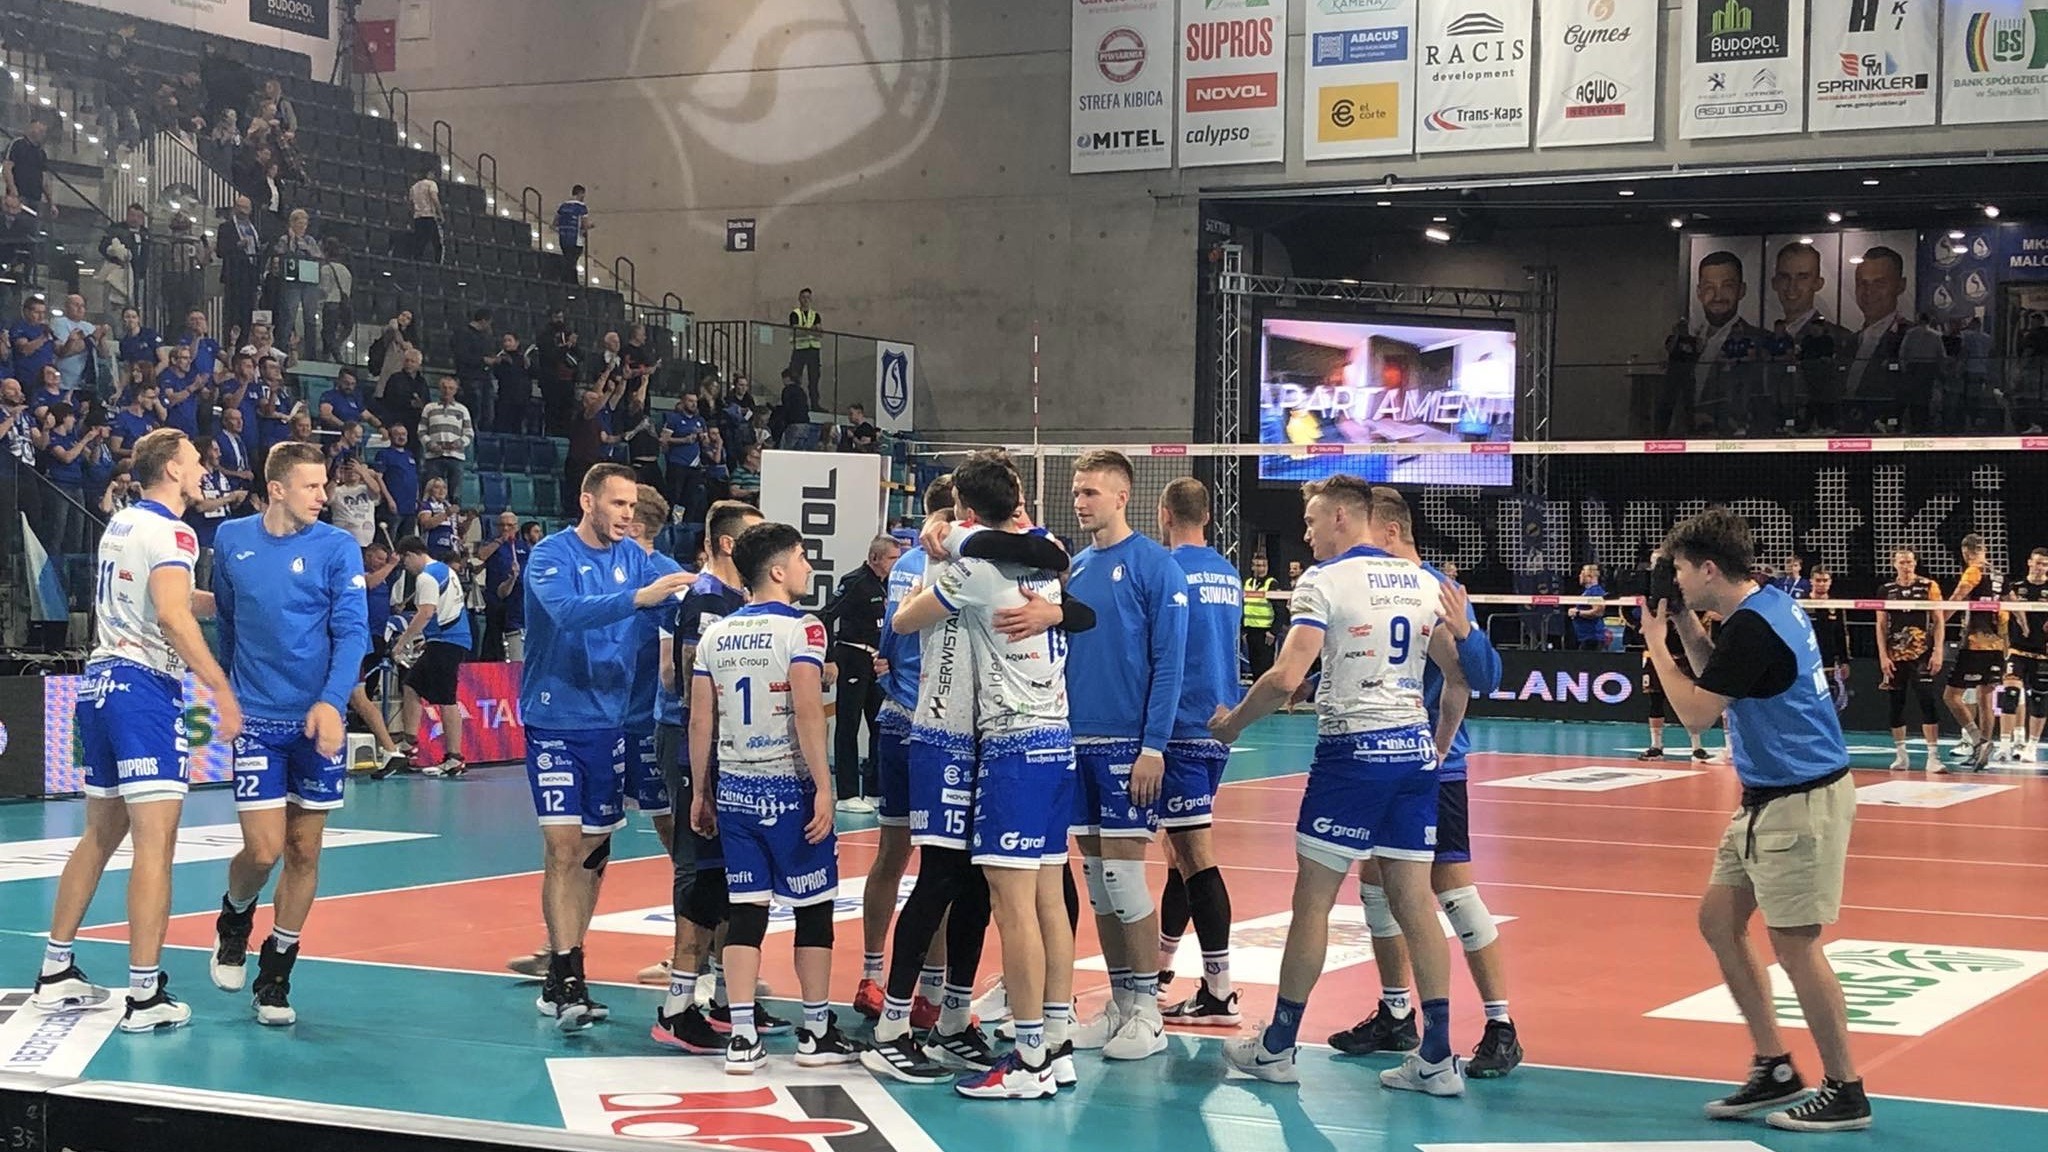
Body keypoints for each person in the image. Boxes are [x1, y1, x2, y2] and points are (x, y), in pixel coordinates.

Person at [1210, 474, 1465, 1094]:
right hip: (1412, 752)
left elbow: (1284, 676)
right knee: (1415, 903)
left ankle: (1277, 1047)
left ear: (1343, 520)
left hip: (1353, 754)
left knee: (1314, 902)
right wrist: (1438, 741)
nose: (1307, 533)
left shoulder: (1323, 581)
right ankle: (1437, 1056)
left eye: (1312, 521)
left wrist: (1232, 725)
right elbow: (1458, 673)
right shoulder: (1420, 580)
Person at [1640, 508, 1870, 1132]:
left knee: (1796, 945)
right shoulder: (1766, 604)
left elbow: (1696, 714)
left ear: (1709, 569)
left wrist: (1656, 643)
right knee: (1719, 921)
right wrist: (1682, 621)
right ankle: (1774, 1065)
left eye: (1681, 571)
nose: (1674, 580)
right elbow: (1720, 671)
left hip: (1801, 800)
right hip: (1766, 796)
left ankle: (1846, 1088)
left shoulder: (1753, 629)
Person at [888, 453, 1087, 1099]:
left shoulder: (973, 568)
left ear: (968, 511)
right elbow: (1067, 589)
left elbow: (903, 623)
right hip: (1057, 740)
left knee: (1013, 906)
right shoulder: (1048, 559)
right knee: (1051, 898)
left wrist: (942, 543)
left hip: (1012, 746)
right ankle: (1055, 1045)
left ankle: (1027, 1061)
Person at [30, 429, 242, 1032]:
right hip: (145, 688)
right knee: (156, 844)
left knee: (100, 834)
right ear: (172, 468)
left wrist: (227, 601)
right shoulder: (176, 532)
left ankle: (55, 969)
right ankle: (145, 996)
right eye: (195, 461)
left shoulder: (122, 523)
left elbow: (164, 597)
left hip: (99, 683)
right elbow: (171, 615)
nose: (203, 470)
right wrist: (220, 688)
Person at [1327, 487, 1519, 1077]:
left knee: (1452, 890)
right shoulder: (1364, 585)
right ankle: (1395, 1012)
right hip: (1378, 761)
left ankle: (1501, 1025)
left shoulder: (1436, 589)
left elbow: (1482, 677)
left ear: (1389, 532)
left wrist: (1466, 634)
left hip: (1435, 768)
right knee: (1376, 883)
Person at [521, 463, 695, 1029]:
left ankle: (566, 964)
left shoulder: (637, 559)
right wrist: (640, 598)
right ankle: (566, 971)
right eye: (617, 504)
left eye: (632, 506)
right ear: (588, 501)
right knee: (563, 848)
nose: (626, 514)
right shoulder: (551, 555)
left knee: (593, 853)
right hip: (554, 721)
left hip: (609, 724)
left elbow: (679, 602)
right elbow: (568, 613)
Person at [690, 521, 866, 1074]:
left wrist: (701, 790)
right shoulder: (803, 628)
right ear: (777, 569)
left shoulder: (717, 633)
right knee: (814, 909)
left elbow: (700, 719)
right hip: (788, 786)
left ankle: (742, 1036)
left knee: (746, 910)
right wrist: (825, 786)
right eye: (802, 557)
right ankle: (815, 1031)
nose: (808, 567)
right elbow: (809, 711)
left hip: (735, 788)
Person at [205, 442, 368, 1025]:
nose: (325, 496)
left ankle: (276, 973)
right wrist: (227, 691)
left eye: (325, 485)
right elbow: (227, 620)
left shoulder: (338, 547)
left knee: (304, 849)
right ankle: (235, 917)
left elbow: (353, 632)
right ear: (276, 489)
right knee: (263, 849)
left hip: (314, 721)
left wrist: (330, 702)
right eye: (312, 486)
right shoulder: (231, 540)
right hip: (256, 716)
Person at [1061, 449, 1187, 1060]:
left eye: (1090, 491)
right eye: (1077, 491)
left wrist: (1153, 747)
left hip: (1127, 744)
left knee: (1124, 877)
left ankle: (1148, 1012)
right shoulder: (1077, 568)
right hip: (1075, 740)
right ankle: (1118, 1003)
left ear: (1121, 496)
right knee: (1097, 883)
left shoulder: (1156, 567)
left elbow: (1169, 664)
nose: (1080, 501)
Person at [649, 501, 764, 1052]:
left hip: (725, 747)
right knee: (696, 870)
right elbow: (690, 683)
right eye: (755, 538)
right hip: (695, 743)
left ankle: (722, 996)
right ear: (728, 544)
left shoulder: (737, 600)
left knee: (724, 874)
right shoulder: (706, 599)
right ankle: (678, 1006)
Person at [855, 476, 953, 1019]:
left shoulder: (903, 566)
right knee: (941, 863)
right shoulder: (961, 562)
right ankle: (931, 992)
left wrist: (890, 669)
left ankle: (871, 975)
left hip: (895, 716)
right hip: (939, 724)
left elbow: (889, 641)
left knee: (891, 853)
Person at [1151, 479, 1244, 1028]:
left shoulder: (1167, 570)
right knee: (1178, 855)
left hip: (1181, 727)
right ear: (1208, 516)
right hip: (1219, 724)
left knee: (1194, 857)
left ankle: (1219, 992)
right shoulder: (1228, 572)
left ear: (1164, 514)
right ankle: (1162, 971)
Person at [819, 535, 896, 810]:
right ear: (875, 558)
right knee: (849, 724)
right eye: (892, 558)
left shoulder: (889, 585)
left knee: (879, 725)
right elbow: (826, 616)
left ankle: (874, 789)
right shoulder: (854, 582)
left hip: (877, 662)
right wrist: (829, 658)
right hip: (852, 657)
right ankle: (848, 793)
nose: (896, 564)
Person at [390, 535, 473, 777]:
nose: (406, 568)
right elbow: (447, 608)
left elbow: (426, 612)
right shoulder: (445, 570)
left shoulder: (426, 577)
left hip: (448, 641)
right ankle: (409, 745)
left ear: (410, 555)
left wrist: (402, 642)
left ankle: (454, 758)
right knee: (412, 685)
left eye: (405, 562)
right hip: (445, 639)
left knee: (447, 699)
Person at [1942, 534, 2006, 772]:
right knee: (1985, 697)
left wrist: (1938, 623)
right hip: (1997, 645)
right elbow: (2012, 605)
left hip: (1975, 644)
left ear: (1966, 552)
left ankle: (1978, 740)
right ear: (1984, 549)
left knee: (1951, 696)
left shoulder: (1972, 571)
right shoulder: (1999, 574)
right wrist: (2023, 629)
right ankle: (1984, 749)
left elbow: (1957, 596)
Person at [1877, 547, 1944, 772]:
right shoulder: (1886, 590)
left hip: (1922, 653)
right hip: (1895, 655)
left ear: (1915, 563)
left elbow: (1938, 620)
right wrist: (1883, 656)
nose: (1906, 566)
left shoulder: (1928, 586)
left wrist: (1938, 651)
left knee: (1928, 701)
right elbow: (1880, 625)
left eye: (1910, 562)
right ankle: (1901, 755)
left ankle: (1933, 757)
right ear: (1894, 564)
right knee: (1896, 705)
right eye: (1902, 562)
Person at [1805, 567, 1853, 715]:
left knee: (1834, 700)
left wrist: (1845, 661)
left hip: (1830, 661)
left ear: (1830, 582)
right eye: (1818, 580)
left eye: (1825, 580)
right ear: (1811, 581)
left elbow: (1841, 633)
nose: (1821, 584)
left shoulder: (1835, 605)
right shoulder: (1802, 603)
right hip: (1807, 660)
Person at [1242, 554, 1277, 681]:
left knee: (1265, 667)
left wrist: (1273, 631)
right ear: (1252, 567)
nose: (1261, 569)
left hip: (1265, 632)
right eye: (1257, 565)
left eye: (1263, 566)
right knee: (1254, 665)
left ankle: (1266, 693)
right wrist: (1244, 631)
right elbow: (1244, 606)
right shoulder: (1248, 583)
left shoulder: (1271, 583)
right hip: (1251, 630)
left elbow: (1279, 609)